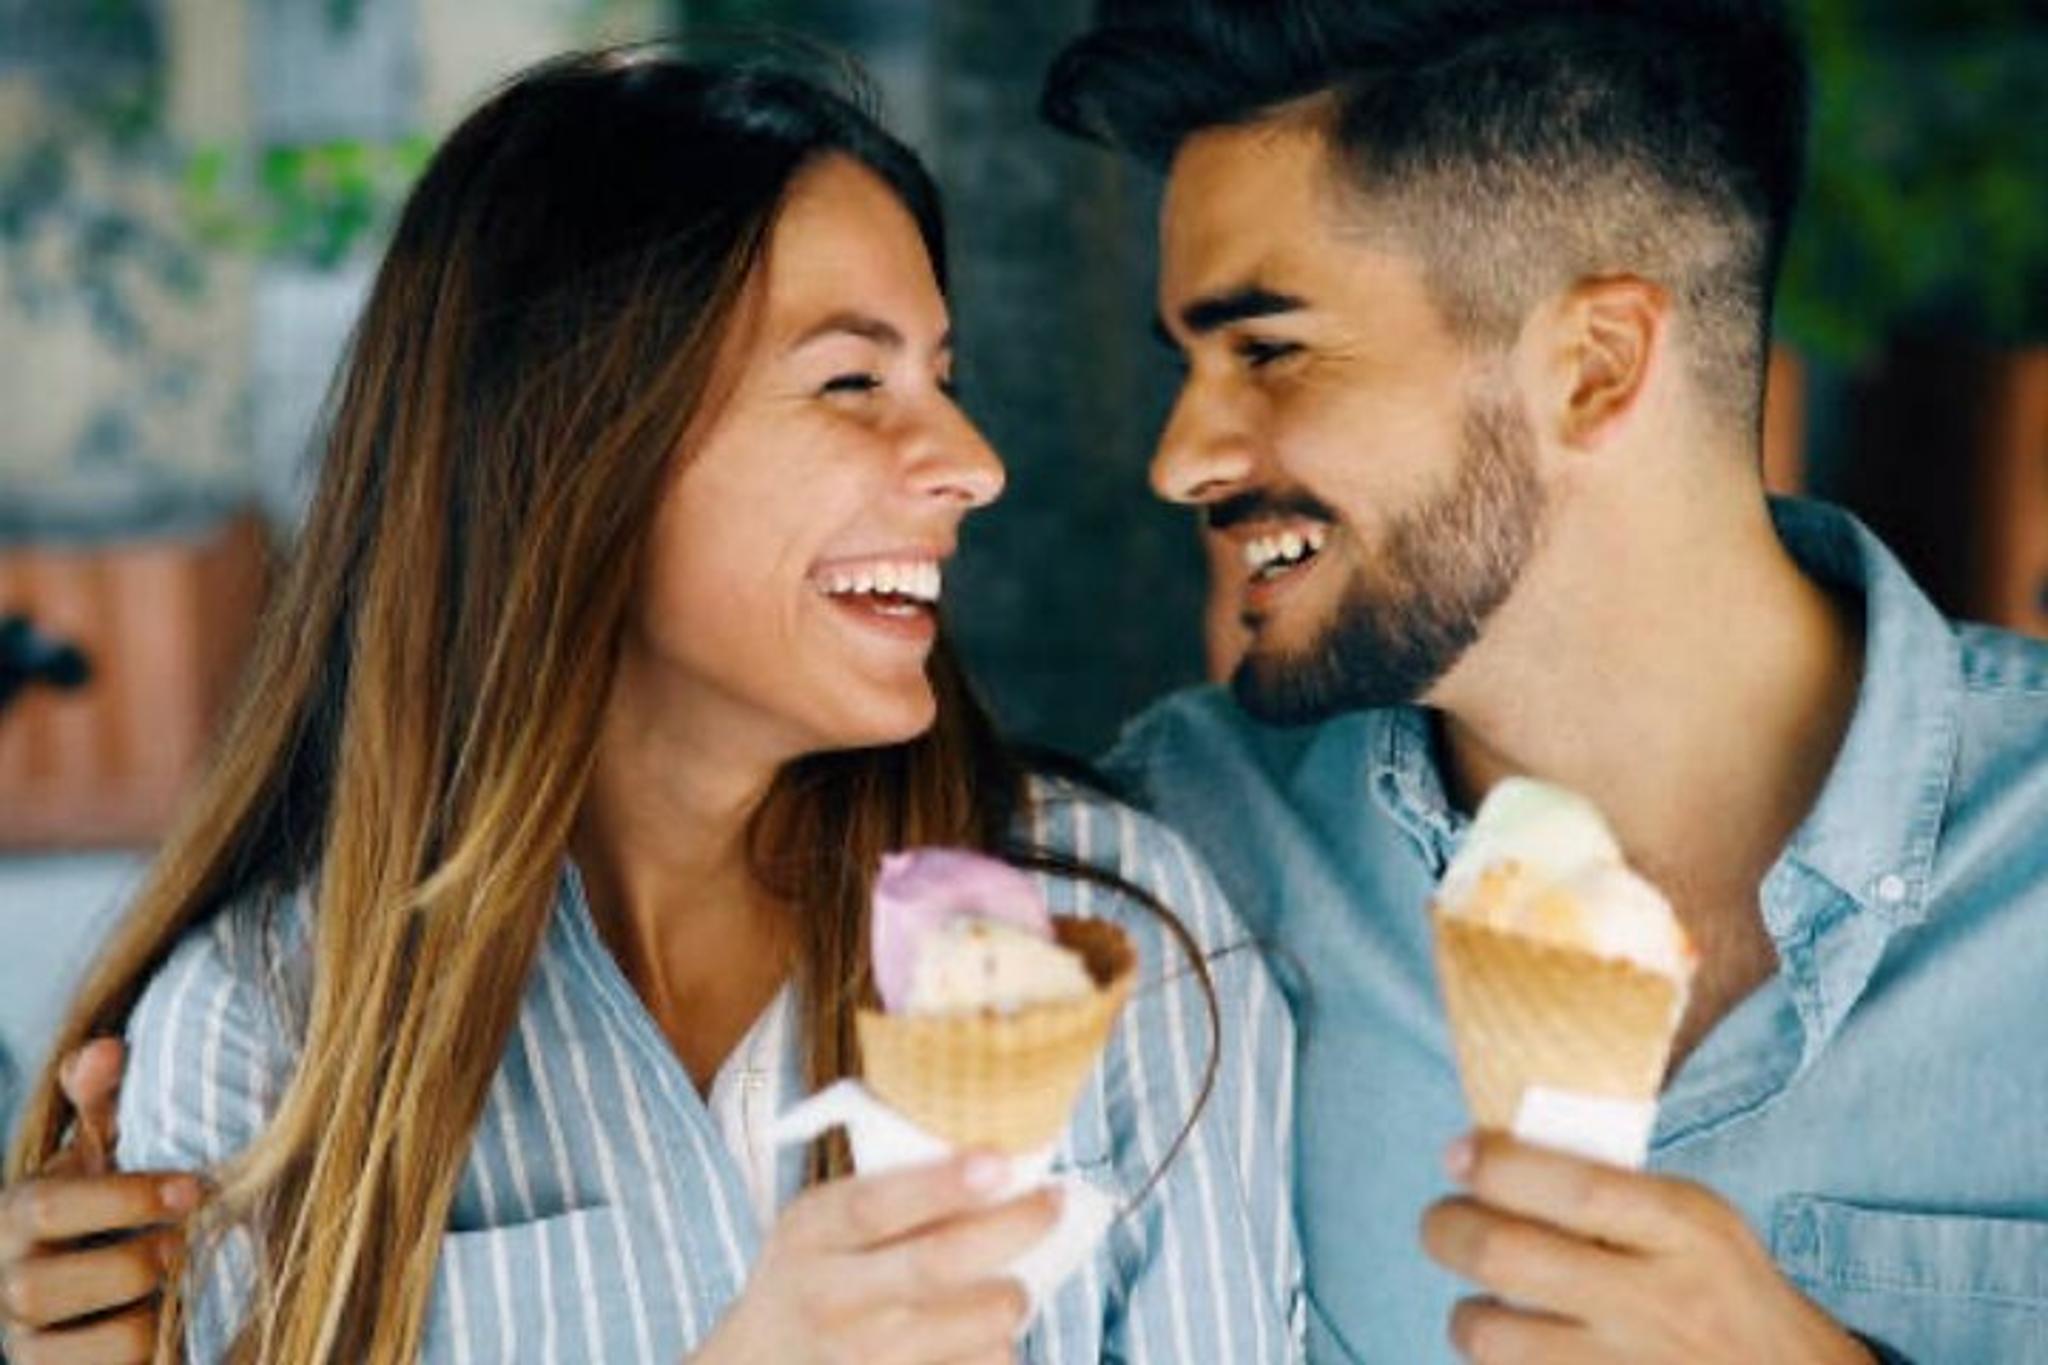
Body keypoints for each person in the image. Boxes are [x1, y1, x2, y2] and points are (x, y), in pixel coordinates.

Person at [1, 49, 1299, 1364]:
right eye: (854, 383)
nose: (972, 464)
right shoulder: (274, 1023)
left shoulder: (1116, 927)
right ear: (581, 445)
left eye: (942, 378)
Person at [1043, 1, 2048, 1361]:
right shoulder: (1171, 871)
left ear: (1594, 367)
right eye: (1192, 365)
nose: (1183, 458)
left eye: (1267, 350)